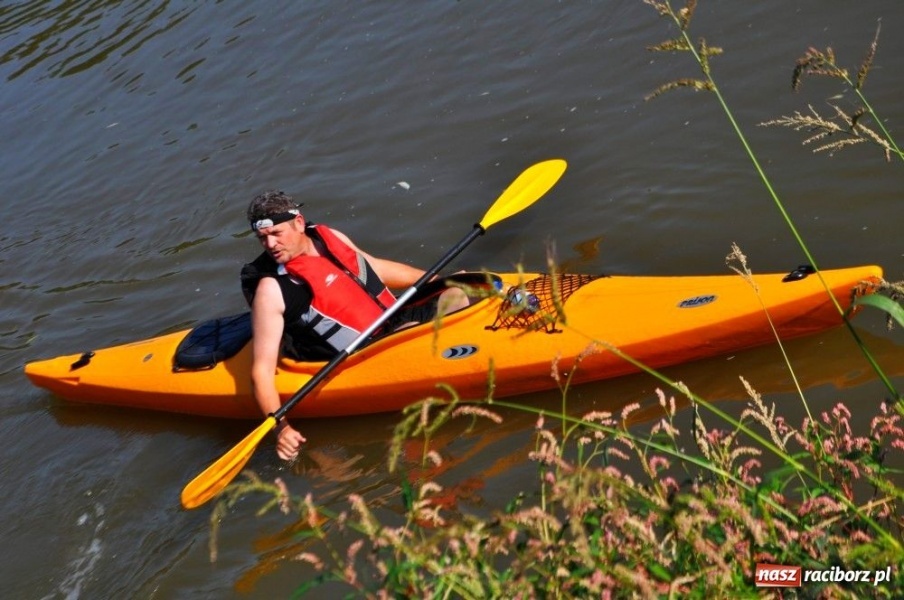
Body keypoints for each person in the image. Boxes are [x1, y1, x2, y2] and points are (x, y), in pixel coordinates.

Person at [241, 190, 467, 460]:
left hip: (386, 321)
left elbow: (374, 268)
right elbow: (262, 371)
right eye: (262, 238)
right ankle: (466, 367)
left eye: (276, 233)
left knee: (456, 294)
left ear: (299, 223)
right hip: (354, 357)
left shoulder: (327, 237)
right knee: (411, 339)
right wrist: (281, 428)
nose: (270, 244)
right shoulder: (272, 289)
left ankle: (462, 355)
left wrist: (439, 281)